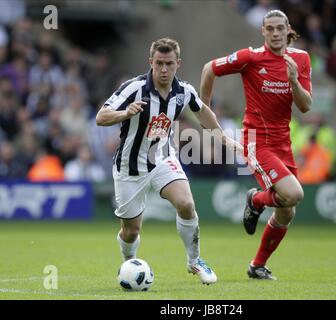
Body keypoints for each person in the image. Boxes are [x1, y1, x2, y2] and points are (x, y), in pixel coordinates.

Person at [96, 38, 241, 285]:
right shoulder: (133, 88)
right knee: (131, 231)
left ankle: (195, 261)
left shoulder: (184, 91)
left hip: (163, 158)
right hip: (129, 167)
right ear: (151, 62)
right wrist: (126, 112)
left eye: (169, 64)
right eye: (159, 63)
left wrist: (224, 138)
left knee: (186, 204)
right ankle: (128, 262)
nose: (164, 69)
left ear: (178, 64)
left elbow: (203, 112)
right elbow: (101, 116)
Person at [200, 10, 312, 280]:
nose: (275, 33)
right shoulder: (250, 57)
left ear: (288, 30)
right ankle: (257, 200)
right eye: (270, 28)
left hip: (282, 142)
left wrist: (294, 80)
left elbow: (306, 106)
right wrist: (205, 111)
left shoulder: (300, 59)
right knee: (294, 194)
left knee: (287, 211)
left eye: (279, 28)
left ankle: (257, 265)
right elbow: (209, 69)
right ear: (263, 31)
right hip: (256, 141)